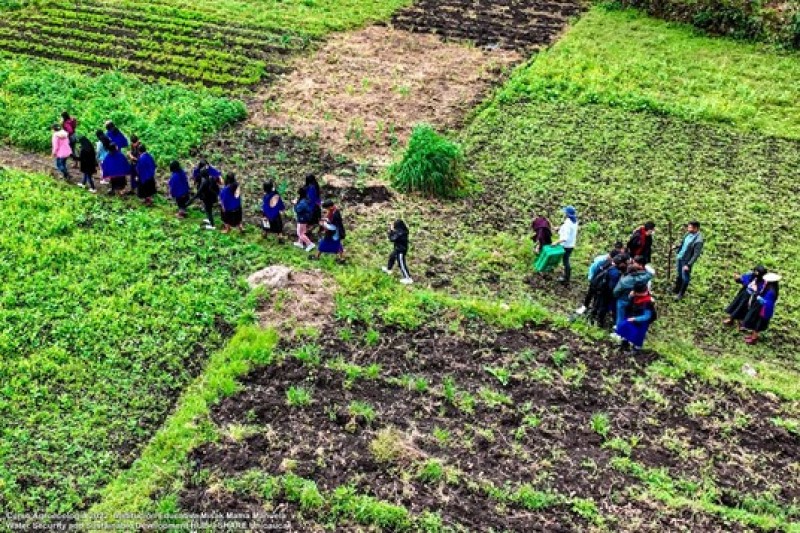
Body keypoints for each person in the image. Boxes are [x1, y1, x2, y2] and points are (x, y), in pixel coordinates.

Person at [577, 245, 624, 315]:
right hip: (595, 280)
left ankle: (593, 309)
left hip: (600, 284)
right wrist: (591, 278)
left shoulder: (611, 263)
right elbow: (593, 269)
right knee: (590, 294)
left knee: (596, 297)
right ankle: (585, 306)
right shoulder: (602, 260)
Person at [613, 257, 654, 332]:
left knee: (620, 317)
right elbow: (650, 274)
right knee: (630, 316)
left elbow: (616, 292)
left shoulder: (624, 281)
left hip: (623, 300)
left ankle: (619, 332)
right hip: (635, 301)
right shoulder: (643, 278)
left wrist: (618, 296)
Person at [588, 254, 627, 328]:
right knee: (603, 307)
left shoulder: (608, 265)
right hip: (606, 292)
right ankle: (599, 322)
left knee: (597, 304)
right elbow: (612, 286)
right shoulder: (615, 273)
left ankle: (592, 318)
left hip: (600, 289)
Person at [740, 273, 780, 345]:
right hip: (761, 308)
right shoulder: (769, 287)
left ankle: (754, 338)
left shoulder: (771, 291)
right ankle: (752, 336)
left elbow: (766, 302)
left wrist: (757, 294)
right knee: (756, 322)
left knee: (759, 324)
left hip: (765, 310)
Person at [617, 282, 657, 352]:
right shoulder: (634, 296)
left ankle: (636, 349)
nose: (644, 293)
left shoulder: (647, 302)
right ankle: (625, 343)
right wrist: (630, 296)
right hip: (632, 314)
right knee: (624, 326)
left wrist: (635, 319)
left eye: (645, 291)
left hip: (641, 321)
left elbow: (647, 316)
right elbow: (630, 304)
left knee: (639, 336)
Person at [673, 221, 704, 300]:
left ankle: (681, 294)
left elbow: (696, 254)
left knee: (685, 277)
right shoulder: (688, 234)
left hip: (686, 261)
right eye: (688, 227)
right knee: (679, 274)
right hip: (680, 257)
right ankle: (676, 289)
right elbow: (684, 244)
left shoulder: (698, 240)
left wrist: (689, 264)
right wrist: (676, 246)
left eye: (690, 227)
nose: (688, 228)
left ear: (696, 228)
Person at [553, 206, 579, 284]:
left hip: (567, 246)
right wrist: (559, 228)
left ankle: (566, 279)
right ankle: (566, 277)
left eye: (565, 213)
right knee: (565, 260)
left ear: (567, 214)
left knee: (566, 262)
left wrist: (556, 242)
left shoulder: (568, 224)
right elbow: (566, 228)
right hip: (571, 244)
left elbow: (565, 238)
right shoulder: (573, 220)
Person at [382, 219, 413, 284]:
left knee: (401, 264)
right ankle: (388, 269)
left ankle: (408, 278)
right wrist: (393, 230)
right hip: (398, 249)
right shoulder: (403, 231)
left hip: (401, 250)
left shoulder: (400, 233)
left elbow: (392, 239)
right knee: (392, 257)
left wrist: (391, 230)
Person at [293, 187, 315, 251]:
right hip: (305, 217)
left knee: (300, 233)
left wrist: (294, 204)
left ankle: (310, 244)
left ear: (300, 194)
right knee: (302, 231)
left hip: (302, 218)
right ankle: (300, 243)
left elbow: (297, 210)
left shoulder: (302, 202)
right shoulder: (305, 199)